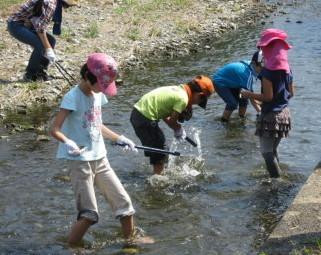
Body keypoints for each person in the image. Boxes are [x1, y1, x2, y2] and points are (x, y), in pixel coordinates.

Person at [51, 53, 153, 245]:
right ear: (88, 77)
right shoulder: (72, 97)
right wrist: (67, 141)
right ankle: (72, 248)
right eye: (102, 84)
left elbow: (96, 124)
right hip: (79, 161)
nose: (103, 89)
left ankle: (130, 243)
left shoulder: (98, 95)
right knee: (89, 214)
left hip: (100, 158)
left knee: (125, 205)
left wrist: (119, 138)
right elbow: (54, 129)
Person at [130, 75, 214, 175]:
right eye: (200, 102)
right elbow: (172, 122)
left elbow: (162, 112)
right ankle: (158, 179)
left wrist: (176, 127)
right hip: (145, 118)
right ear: (199, 95)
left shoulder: (178, 89)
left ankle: (158, 172)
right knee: (160, 150)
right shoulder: (183, 99)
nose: (195, 104)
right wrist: (178, 128)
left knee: (159, 148)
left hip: (138, 114)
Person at [241, 28, 294, 178]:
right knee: (273, 150)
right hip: (284, 114)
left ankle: (277, 182)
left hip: (270, 116)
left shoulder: (267, 73)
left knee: (266, 153)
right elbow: (291, 93)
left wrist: (248, 94)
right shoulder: (288, 69)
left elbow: (268, 97)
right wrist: (277, 99)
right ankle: (278, 176)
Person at [7, 0, 78, 81]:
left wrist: (48, 47)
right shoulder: (51, 4)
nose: (68, 7)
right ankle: (30, 75)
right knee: (40, 45)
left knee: (51, 41)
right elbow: (40, 29)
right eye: (70, 5)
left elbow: (38, 23)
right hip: (16, 25)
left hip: (28, 24)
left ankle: (40, 72)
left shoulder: (54, 3)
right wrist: (49, 49)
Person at [212, 51, 263, 122]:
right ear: (254, 64)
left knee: (244, 99)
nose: (264, 70)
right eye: (262, 67)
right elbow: (252, 98)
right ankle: (224, 122)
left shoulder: (253, 66)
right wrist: (260, 112)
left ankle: (241, 119)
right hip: (220, 82)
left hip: (233, 81)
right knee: (232, 104)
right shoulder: (248, 76)